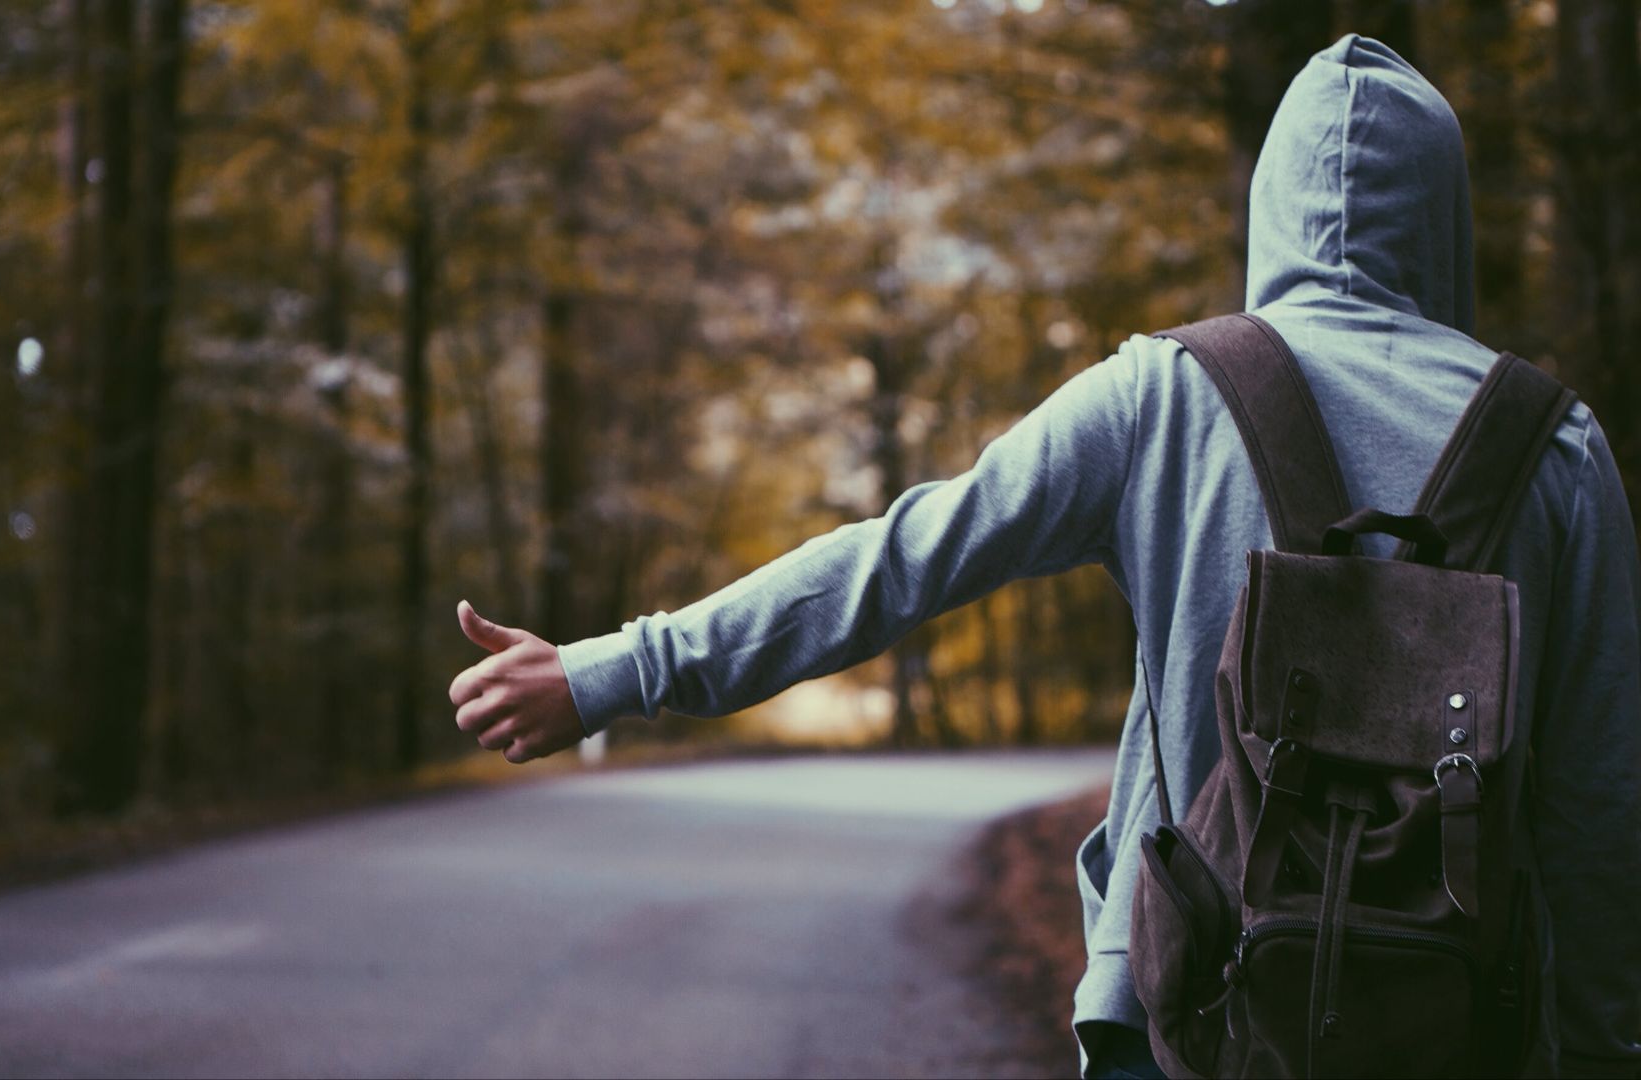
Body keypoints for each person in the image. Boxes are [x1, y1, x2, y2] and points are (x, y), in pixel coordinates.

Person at [445, 35, 1641, 1078]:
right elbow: (1600, 805)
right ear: (1447, 221)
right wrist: (1598, 1049)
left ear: (1269, 207)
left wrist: (613, 670)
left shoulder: (1166, 395)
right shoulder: (1556, 446)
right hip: (1456, 1028)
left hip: (1185, 1019)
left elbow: (898, 561)